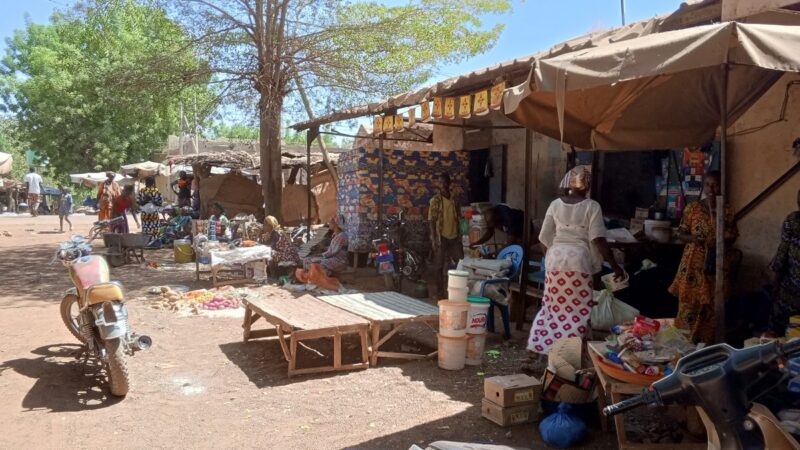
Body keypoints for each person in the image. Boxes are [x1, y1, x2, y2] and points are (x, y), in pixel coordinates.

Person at [527, 166, 624, 358]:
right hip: (579, 260)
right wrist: (615, 266)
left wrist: (551, 257)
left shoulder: (555, 204)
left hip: (555, 259)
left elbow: (544, 236)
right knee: (578, 309)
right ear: (587, 185)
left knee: (552, 307)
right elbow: (598, 239)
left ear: (568, 184)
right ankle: (569, 352)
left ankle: (538, 347)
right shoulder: (592, 206)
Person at [669, 170, 738, 344]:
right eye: (707, 185)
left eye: (715, 185)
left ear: (721, 187)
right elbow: (681, 234)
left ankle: (706, 348)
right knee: (689, 306)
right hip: (693, 265)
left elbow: (733, 236)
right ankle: (682, 346)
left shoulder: (727, 211)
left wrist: (720, 241)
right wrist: (694, 239)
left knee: (711, 308)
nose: (711, 189)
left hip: (716, 265)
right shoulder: (693, 208)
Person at [768, 188, 800, 336]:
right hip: (790, 291)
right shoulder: (793, 221)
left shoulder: (793, 221)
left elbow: (782, 255)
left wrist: (776, 284)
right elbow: (782, 255)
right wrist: (776, 284)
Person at [429, 172, 463, 298]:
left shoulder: (455, 199)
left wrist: (460, 233)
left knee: (461, 263)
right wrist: (433, 238)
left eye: (444, 182)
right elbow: (431, 221)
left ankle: (457, 291)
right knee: (438, 266)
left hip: (454, 237)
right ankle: (440, 293)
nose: (442, 185)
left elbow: (458, 217)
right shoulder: (435, 200)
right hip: (441, 236)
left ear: (449, 183)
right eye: (440, 182)